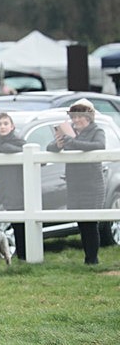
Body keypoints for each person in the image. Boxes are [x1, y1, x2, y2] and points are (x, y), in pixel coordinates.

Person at [47, 100, 105, 264]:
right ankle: (88, 258)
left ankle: (92, 259)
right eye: (75, 116)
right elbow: (50, 148)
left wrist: (71, 142)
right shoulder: (70, 131)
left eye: (81, 116)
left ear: (89, 117)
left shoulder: (97, 130)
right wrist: (58, 144)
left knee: (91, 223)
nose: (77, 120)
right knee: (81, 223)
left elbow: (99, 145)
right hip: (75, 183)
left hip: (91, 184)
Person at [0, 113, 27, 260]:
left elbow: (16, 149)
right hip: (4, 188)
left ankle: (24, 255)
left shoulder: (19, 142)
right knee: (15, 222)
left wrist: (2, 147)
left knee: (21, 224)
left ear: (12, 126)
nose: (2, 127)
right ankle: (21, 256)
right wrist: (0, 147)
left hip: (19, 188)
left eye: (5, 123)